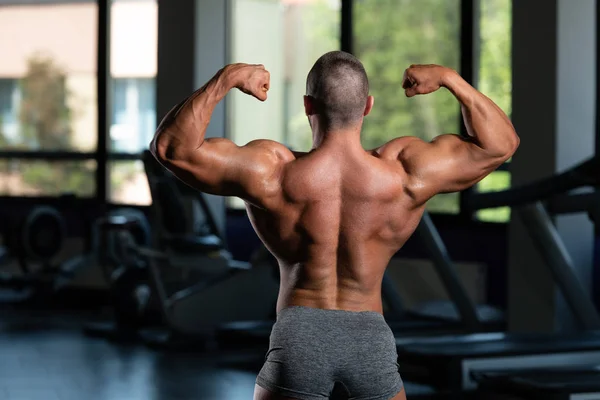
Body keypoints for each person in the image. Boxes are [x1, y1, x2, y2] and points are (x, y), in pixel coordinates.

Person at [150, 51, 519, 400]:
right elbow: (501, 145)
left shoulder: (272, 172)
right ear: (368, 106)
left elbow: (171, 148)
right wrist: (450, 79)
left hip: (299, 334)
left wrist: (226, 79)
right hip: (369, 335)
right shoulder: (404, 172)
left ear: (307, 105)